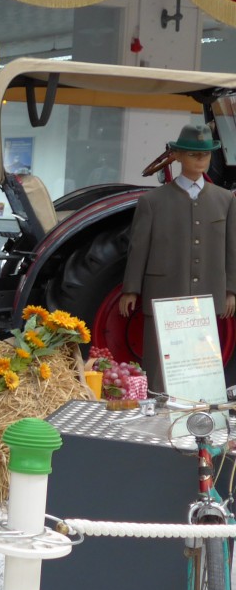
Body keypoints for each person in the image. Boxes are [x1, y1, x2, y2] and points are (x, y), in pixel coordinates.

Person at [119, 123, 236, 393]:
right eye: (194, 154)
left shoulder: (225, 200)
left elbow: (232, 249)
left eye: (205, 154)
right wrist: (131, 289)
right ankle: (157, 403)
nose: (201, 160)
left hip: (207, 293)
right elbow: (139, 249)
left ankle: (199, 409)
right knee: (159, 357)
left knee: (201, 357)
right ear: (178, 156)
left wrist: (230, 290)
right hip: (164, 292)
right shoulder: (153, 201)